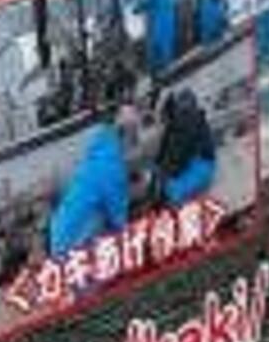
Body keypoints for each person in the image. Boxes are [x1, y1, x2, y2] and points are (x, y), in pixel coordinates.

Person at [47, 95, 143, 258]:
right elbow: (119, 219)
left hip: (58, 234)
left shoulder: (99, 150)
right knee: (113, 227)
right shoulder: (112, 168)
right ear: (125, 136)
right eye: (133, 138)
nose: (131, 147)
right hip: (72, 246)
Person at [150, 77, 217, 209]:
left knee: (172, 193)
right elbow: (166, 146)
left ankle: (177, 214)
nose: (162, 120)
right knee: (163, 183)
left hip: (200, 164)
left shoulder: (184, 119)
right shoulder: (175, 122)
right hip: (193, 162)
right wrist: (158, 165)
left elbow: (179, 151)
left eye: (162, 115)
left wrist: (166, 171)